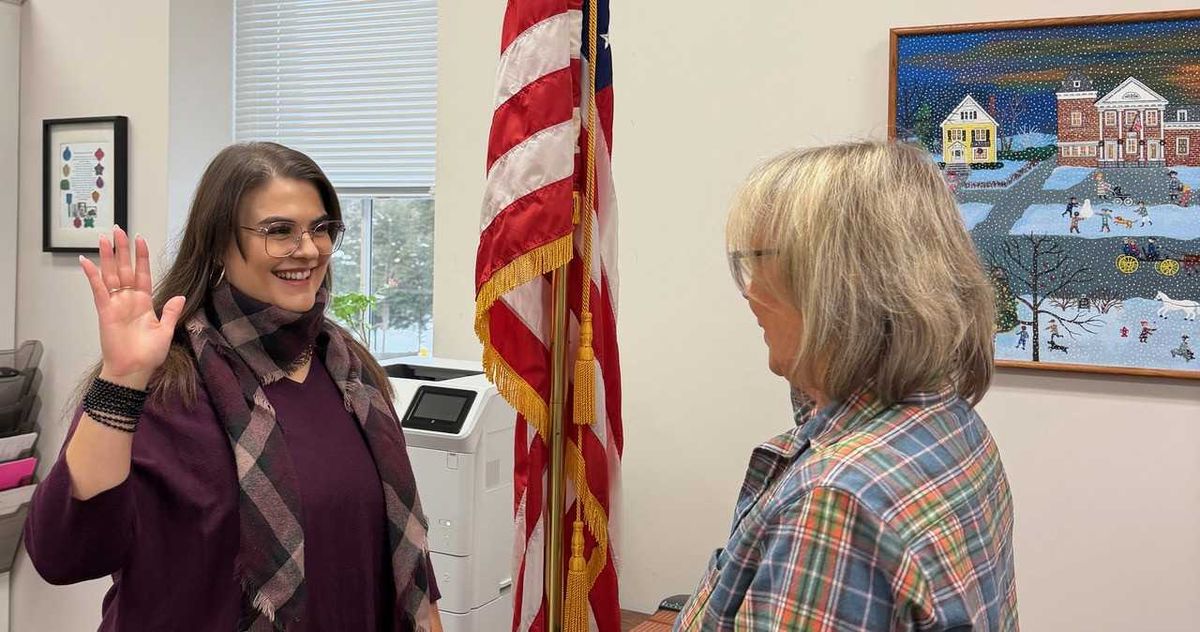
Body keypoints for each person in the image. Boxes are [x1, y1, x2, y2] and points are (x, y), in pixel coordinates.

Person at [25, 143, 443, 632]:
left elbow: (402, 555)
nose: (307, 249)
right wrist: (121, 379)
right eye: (279, 231)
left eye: (321, 228)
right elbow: (63, 555)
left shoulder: (352, 372)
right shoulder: (166, 383)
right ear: (219, 241)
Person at [676, 142, 1018, 630]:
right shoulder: (948, 422)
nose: (749, 291)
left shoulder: (835, 503)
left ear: (835, 283)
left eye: (760, 261)